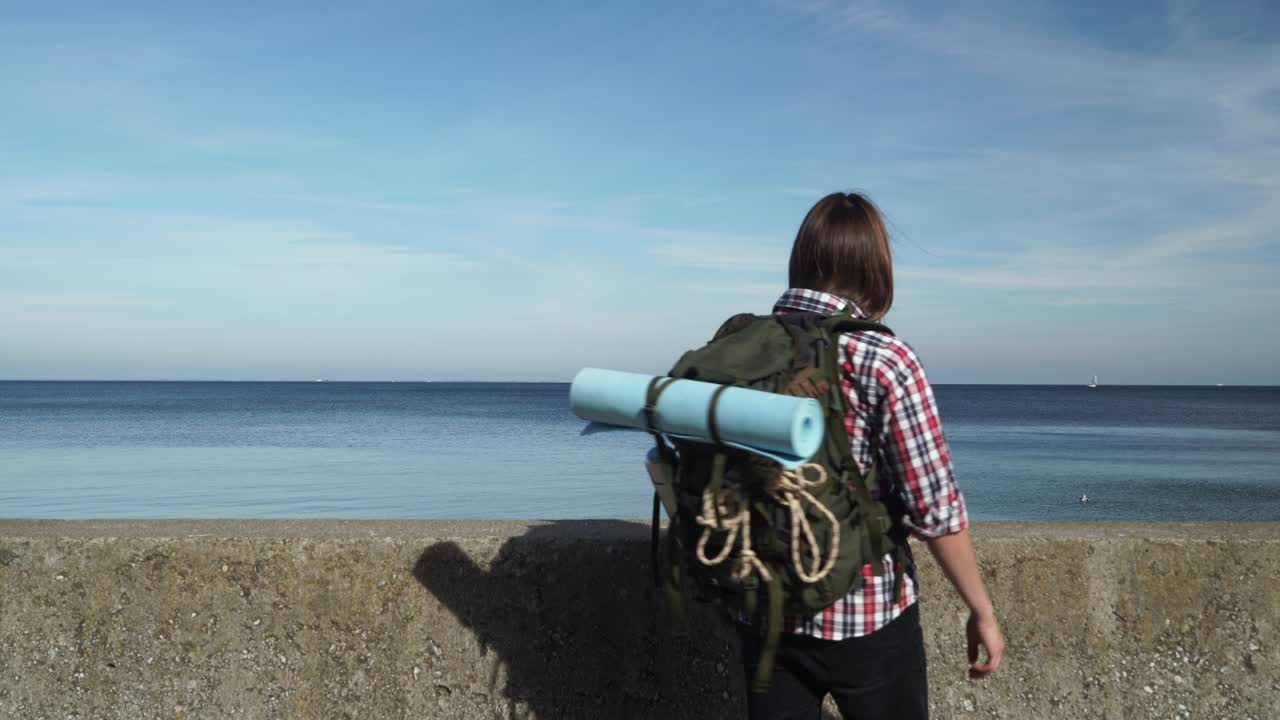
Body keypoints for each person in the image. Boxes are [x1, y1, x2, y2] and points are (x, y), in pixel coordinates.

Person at [737, 191, 1004, 719]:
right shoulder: (884, 358)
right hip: (867, 616)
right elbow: (934, 509)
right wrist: (982, 610)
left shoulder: (747, 347)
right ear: (875, 269)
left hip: (764, 609)